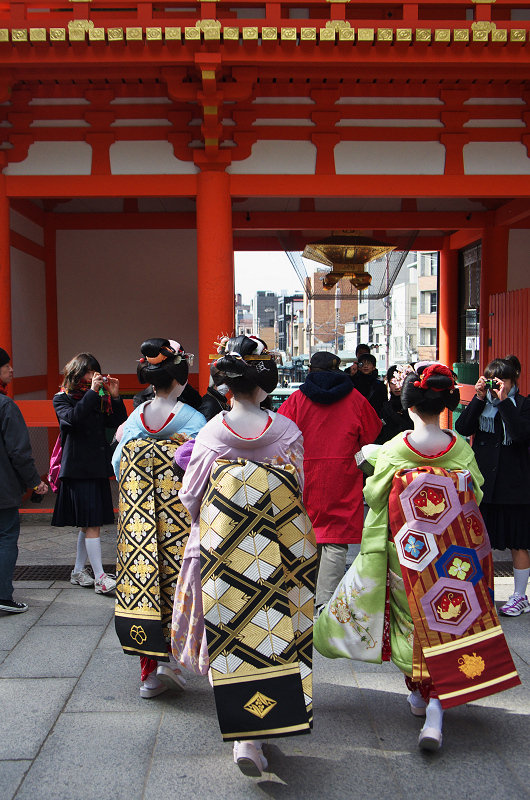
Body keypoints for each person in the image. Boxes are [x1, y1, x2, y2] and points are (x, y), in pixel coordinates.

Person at [315, 362, 520, 751]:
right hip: (454, 558)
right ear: (445, 405)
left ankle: (422, 694)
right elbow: (474, 495)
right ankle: (437, 699)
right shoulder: (458, 447)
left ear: (408, 406)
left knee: (413, 621)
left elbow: (373, 496)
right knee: (448, 619)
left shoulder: (395, 449)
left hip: (406, 557)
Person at [172, 335, 316, 778]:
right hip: (280, 555)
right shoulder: (287, 431)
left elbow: (190, 496)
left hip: (217, 554)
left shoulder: (211, 433)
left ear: (226, 386)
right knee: (275, 631)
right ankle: (268, 724)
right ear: (266, 382)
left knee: (228, 633)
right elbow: (299, 493)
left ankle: (244, 737)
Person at [112, 338, 206, 700]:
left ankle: (148, 675)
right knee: (177, 583)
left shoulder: (135, 417)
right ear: (180, 379)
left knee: (143, 584)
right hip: (179, 519)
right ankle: (175, 661)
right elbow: (200, 471)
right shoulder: (194, 420)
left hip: (139, 523)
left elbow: (119, 464)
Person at [278, 350, 381, 612]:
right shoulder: (355, 399)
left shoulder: (297, 399)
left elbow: (281, 436)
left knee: (306, 535)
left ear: (310, 370)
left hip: (304, 475)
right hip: (342, 474)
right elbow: (371, 433)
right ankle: (325, 602)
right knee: (335, 539)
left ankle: (303, 596)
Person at [455, 356, 530, 616]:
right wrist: (478, 398)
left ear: (512, 381)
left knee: (518, 543)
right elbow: (462, 427)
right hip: (485, 483)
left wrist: (504, 402)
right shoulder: (482, 405)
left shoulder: (523, 404)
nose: (497, 386)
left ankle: (520, 596)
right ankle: (484, 594)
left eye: (502, 381)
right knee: (479, 542)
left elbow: (520, 434)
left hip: (515, 485)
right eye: (492, 380)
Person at [52, 353, 127, 595]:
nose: (93, 376)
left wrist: (115, 397)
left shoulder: (98, 397)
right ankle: (100, 578)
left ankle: (77, 571)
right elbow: (73, 420)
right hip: (77, 469)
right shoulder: (62, 398)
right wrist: (93, 393)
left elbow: (117, 422)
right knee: (92, 523)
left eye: (96, 371)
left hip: (96, 466)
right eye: (88, 372)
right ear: (76, 374)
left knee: (87, 524)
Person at [0, 348, 48, 613]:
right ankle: (3, 596)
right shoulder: (5, 406)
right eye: (6, 366)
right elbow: (18, 451)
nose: (11, 370)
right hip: (2, 486)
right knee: (6, 536)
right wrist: (34, 481)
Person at [375, 365, 414, 445]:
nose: (397, 386)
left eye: (399, 381)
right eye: (393, 383)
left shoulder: (413, 405)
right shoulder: (385, 406)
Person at [352, 353, 387, 418]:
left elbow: (384, 403)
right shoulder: (354, 382)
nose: (366, 366)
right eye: (363, 364)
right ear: (359, 366)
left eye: (369, 363)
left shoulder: (380, 385)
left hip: (374, 416)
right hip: (358, 416)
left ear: (374, 367)